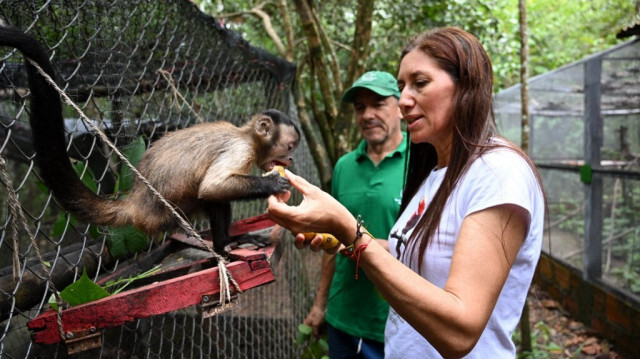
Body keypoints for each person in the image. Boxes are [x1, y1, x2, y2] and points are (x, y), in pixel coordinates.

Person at [268, 27, 545, 358]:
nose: (404, 100)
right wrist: (338, 237)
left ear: (466, 85)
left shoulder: (498, 172)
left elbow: (459, 332)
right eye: (401, 87)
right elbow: (410, 255)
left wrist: (349, 230)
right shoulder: (435, 175)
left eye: (420, 83)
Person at [304, 71, 407, 359]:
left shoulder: (421, 161)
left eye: (378, 104)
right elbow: (331, 242)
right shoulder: (344, 166)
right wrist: (321, 304)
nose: (368, 115)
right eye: (360, 108)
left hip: (395, 320)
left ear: (401, 107)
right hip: (342, 316)